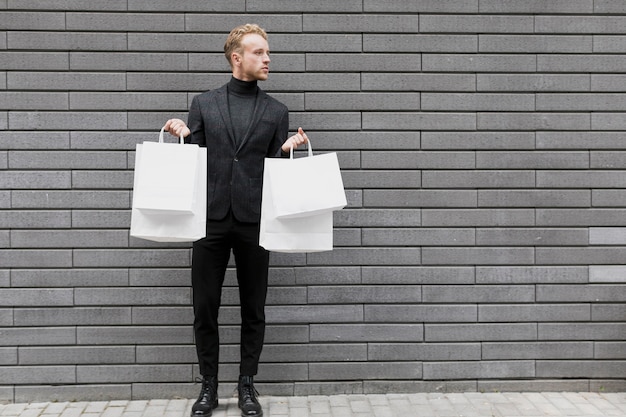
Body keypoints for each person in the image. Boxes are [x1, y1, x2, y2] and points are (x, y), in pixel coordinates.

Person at [163, 24, 308, 417]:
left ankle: (247, 386)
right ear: (236, 58)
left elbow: (277, 171)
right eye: (259, 52)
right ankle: (208, 387)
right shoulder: (204, 103)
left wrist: (289, 149)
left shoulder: (276, 111)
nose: (267, 59)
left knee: (253, 307)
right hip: (209, 220)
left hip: (254, 220)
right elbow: (191, 160)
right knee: (205, 307)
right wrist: (181, 134)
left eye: (268, 53)